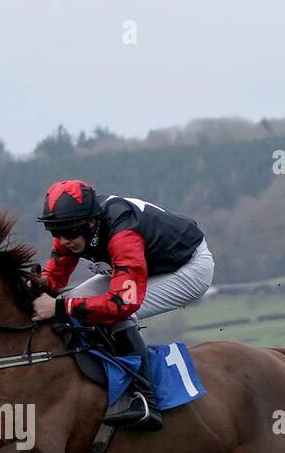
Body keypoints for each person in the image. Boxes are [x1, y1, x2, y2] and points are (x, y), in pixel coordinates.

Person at [30, 179, 214, 431]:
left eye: (70, 233)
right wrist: (35, 286)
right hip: (149, 264)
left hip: (188, 268)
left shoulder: (122, 232)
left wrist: (60, 308)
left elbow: (121, 303)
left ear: (91, 223)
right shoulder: (76, 226)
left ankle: (147, 400)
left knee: (107, 313)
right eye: (55, 233)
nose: (63, 240)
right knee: (71, 303)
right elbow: (53, 279)